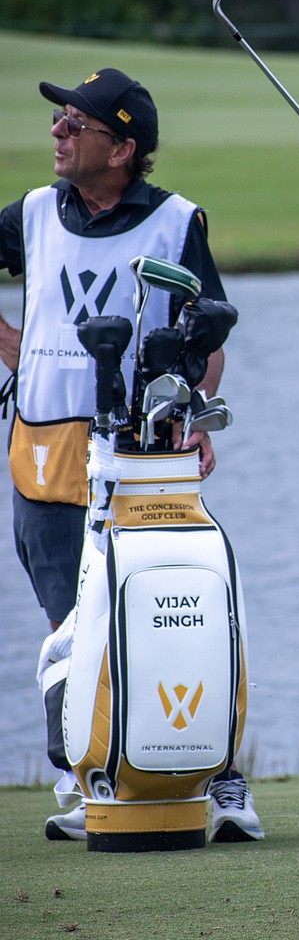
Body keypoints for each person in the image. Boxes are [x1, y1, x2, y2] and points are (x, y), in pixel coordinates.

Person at [0, 68, 264, 845]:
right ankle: (91, 779)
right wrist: (15, 347)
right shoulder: (34, 213)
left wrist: (198, 414)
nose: (57, 132)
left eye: (74, 123)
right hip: (44, 456)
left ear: (121, 149)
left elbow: (208, 337)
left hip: (145, 456)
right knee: (72, 631)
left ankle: (215, 777)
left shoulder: (176, 222)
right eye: (59, 120)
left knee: (171, 615)